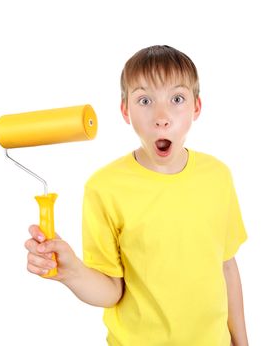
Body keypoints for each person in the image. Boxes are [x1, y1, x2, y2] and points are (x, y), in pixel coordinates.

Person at [25, 45, 249, 346]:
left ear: (196, 107)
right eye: (145, 100)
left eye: (177, 99)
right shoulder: (104, 188)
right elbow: (111, 292)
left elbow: (227, 266)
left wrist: (242, 341)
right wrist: (72, 272)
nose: (161, 117)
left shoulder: (218, 176)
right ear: (125, 111)